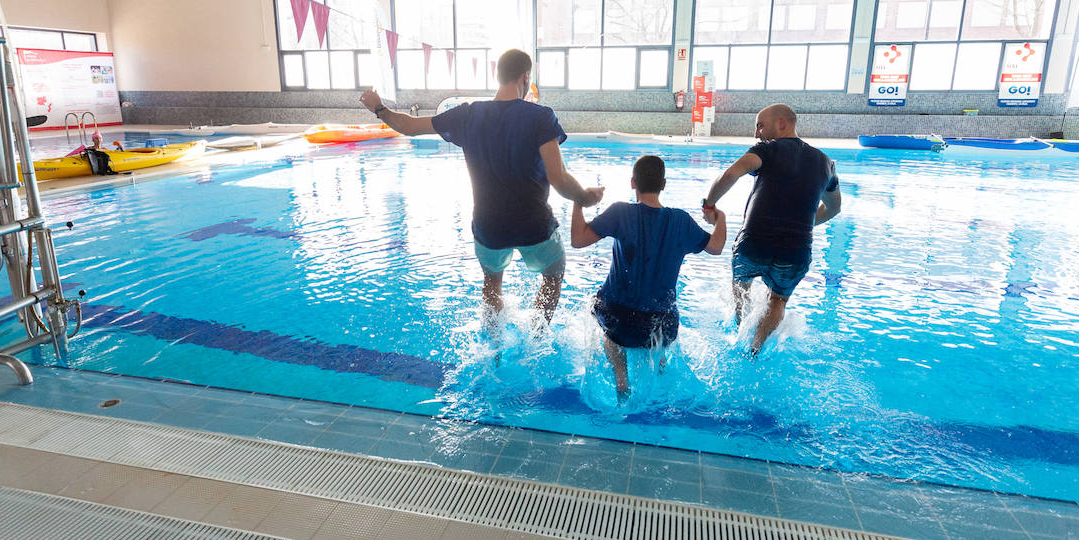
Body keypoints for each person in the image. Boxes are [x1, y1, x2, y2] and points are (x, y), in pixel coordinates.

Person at [360, 49, 603, 323]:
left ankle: (495, 348)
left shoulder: (467, 115)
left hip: (489, 227)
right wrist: (583, 197)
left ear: (496, 76)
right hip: (534, 225)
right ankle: (537, 337)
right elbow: (558, 178)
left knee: (491, 285)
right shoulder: (541, 116)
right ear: (526, 77)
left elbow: (410, 127)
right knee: (552, 276)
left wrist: (379, 108)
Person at [570, 155, 726, 399]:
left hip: (619, 322)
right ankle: (659, 365)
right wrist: (721, 218)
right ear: (663, 184)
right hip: (662, 324)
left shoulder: (620, 212)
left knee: (601, 317)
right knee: (658, 330)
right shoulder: (681, 220)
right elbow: (716, 247)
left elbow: (578, 240)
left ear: (633, 182)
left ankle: (622, 382)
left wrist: (578, 202)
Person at [701, 103, 841, 355]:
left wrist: (709, 203)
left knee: (741, 285)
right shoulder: (826, 164)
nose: (757, 133)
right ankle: (755, 348)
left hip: (754, 242)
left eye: (760, 125)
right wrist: (803, 223)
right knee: (778, 300)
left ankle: (737, 327)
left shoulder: (767, 149)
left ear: (782, 123)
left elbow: (732, 173)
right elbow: (833, 209)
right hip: (795, 251)